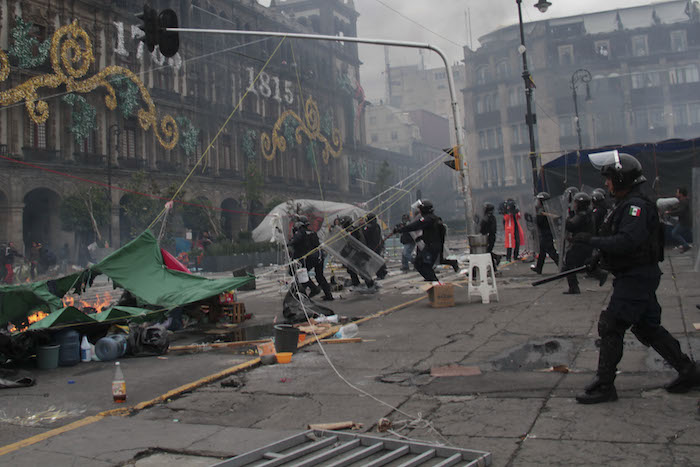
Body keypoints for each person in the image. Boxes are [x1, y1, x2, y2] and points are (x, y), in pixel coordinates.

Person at [573, 151, 700, 404]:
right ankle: (688, 372)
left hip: (636, 277)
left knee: (612, 325)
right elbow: (617, 237)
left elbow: (628, 241)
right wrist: (598, 256)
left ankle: (605, 385)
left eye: (609, 179)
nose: (606, 184)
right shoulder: (627, 202)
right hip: (636, 275)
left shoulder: (636, 206)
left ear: (621, 178)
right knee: (647, 327)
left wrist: (592, 241)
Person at [394, 199, 441, 282]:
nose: (419, 211)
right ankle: (431, 280)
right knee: (420, 263)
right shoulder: (431, 218)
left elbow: (415, 225)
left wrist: (401, 229)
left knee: (422, 264)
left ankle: (434, 281)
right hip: (431, 245)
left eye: (420, 209)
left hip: (432, 246)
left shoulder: (428, 218)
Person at [562, 192, 599, 294]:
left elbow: (571, 225)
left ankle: (574, 287)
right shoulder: (587, 213)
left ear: (580, 204)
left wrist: (564, 220)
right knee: (584, 263)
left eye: (576, 203)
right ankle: (600, 274)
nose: (574, 205)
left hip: (581, 244)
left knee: (569, 263)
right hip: (583, 243)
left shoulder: (582, 215)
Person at [288, 218, 333, 301]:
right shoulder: (312, 233)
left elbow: (294, 242)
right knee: (319, 275)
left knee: (301, 274)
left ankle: (312, 290)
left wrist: (289, 243)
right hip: (319, 256)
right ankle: (328, 295)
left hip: (310, 257)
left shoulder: (301, 232)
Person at [338, 215, 376, 291]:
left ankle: (370, 284)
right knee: (351, 269)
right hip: (354, 254)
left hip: (357, 254)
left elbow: (353, 243)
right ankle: (358, 283)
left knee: (361, 270)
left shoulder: (352, 231)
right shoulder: (351, 230)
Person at [530, 192, 560, 274]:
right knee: (542, 252)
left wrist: (534, 217)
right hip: (545, 233)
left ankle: (562, 266)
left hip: (546, 234)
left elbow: (539, 222)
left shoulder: (544, 211)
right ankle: (539, 268)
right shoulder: (548, 209)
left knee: (551, 252)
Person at [665, 187, 692, 253]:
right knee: (675, 232)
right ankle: (685, 245)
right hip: (684, 222)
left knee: (674, 233)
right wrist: (671, 210)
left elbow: (680, 211)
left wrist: (669, 213)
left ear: (681, 194)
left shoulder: (684, 202)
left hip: (685, 222)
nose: (676, 194)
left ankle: (685, 245)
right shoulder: (683, 201)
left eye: (677, 192)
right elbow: (677, 208)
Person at [362, 212, 388, 279]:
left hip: (373, 246)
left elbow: (368, 235)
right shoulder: (375, 226)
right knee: (377, 259)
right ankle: (383, 271)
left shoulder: (372, 227)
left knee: (375, 261)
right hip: (375, 246)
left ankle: (381, 274)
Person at [479, 203, 501, 272]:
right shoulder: (490, 217)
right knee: (488, 252)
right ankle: (495, 262)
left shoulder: (489, 217)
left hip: (489, 237)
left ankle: (494, 266)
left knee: (488, 252)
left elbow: (488, 228)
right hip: (489, 236)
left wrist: (486, 233)